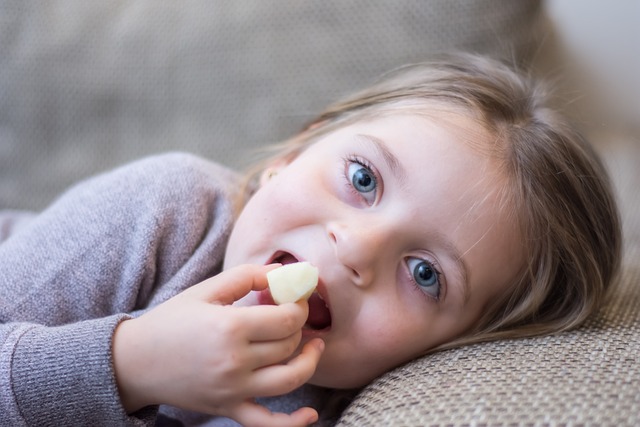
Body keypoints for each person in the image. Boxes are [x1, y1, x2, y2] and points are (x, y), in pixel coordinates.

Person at [0, 53, 621, 427]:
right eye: (362, 178)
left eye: (425, 273)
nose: (355, 248)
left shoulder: (323, 401)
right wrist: (130, 365)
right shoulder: (166, 213)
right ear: (294, 154)